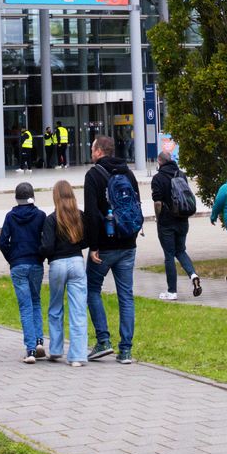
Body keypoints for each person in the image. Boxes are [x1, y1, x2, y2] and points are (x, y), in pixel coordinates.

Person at [83, 136, 141, 363]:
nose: (91, 152)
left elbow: (91, 214)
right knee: (126, 296)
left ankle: (103, 340)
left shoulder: (93, 175)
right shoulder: (128, 173)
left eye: (92, 148)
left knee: (92, 289)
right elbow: (136, 207)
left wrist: (93, 246)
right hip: (128, 244)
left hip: (104, 246)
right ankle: (125, 350)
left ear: (99, 151)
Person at [40, 180, 91, 365]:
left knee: (55, 307)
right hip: (77, 262)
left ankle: (55, 350)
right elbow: (86, 241)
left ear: (55, 196)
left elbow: (47, 247)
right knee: (78, 310)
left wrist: (40, 253)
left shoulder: (51, 219)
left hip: (57, 264)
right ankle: (77, 356)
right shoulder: (80, 216)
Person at [0, 182, 49, 361]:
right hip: (36, 264)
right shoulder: (41, 216)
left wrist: (12, 258)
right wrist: (41, 256)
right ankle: (39, 341)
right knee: (36, 301)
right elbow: (46, 240)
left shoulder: (10, 217)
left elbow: (2, 242)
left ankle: (31, 350)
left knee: (25, 306)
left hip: (18, 264)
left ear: (16, 198)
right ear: (33, 196)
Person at [150, 149, 202, 300]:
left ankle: (172, 291)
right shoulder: (181, 175)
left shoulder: (158, 178)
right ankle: (193, 275)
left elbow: (158, 202)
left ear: (159, 162)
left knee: (169, 255)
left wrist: (158, 218)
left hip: (166, 222)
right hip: (182, 220)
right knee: (180, 250)